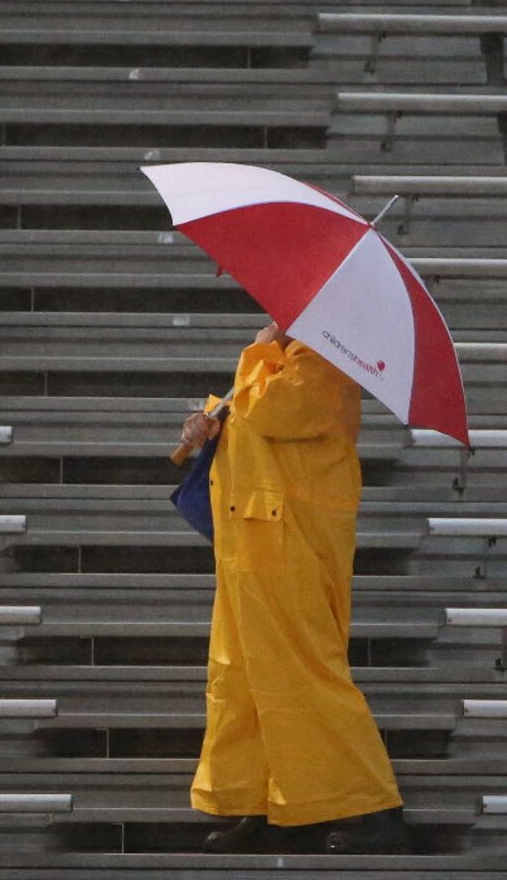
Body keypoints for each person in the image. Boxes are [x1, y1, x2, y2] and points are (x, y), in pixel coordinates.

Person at [176, 321, 411, 855]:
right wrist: (211, 423)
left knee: (302, 669)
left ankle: (371, 805)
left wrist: (259, 352)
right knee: (240, 674)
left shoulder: (329, 350)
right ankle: (264, 803)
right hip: (252, 536)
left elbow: (280, 410)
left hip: (291, 540)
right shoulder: (289, 352)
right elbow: (254, 414)